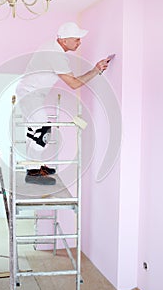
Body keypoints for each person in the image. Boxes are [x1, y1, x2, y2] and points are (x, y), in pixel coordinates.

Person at [16, 22, 110, 185]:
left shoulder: (51, 46)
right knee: (42, 129)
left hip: (29, 93)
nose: (79, 43)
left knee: (35, 130)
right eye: (77, 39)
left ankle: (36, 166)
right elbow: (73, 84)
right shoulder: (56, 55)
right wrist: (95, 70)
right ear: (64, 40)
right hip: (30, 94)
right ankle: (33, 172)